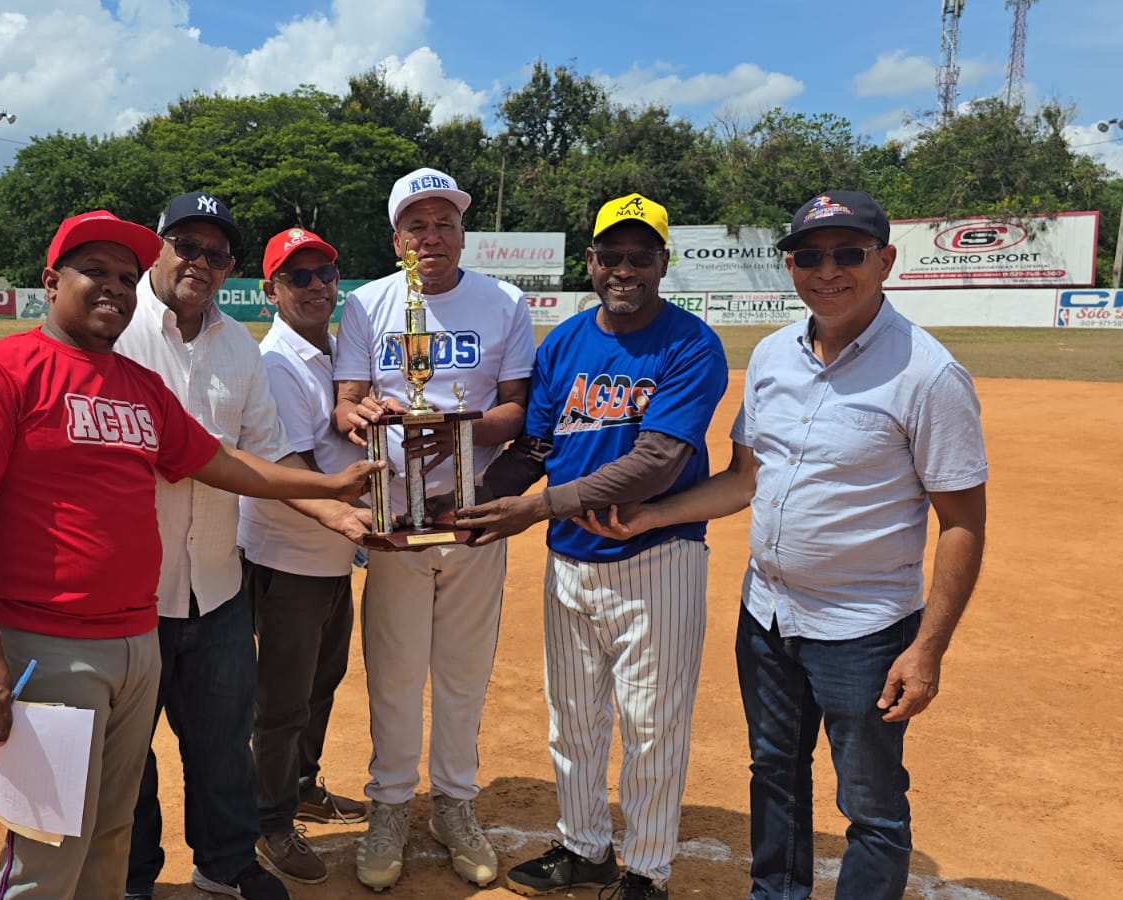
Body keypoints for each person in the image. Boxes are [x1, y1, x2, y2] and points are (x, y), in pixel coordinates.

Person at [0, 210, 378, 900]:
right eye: (94, 272)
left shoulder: (140, 388)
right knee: (51, 844)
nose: (112, 287)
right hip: (47, 640)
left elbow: (223, 461)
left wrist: (331, 489)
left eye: (122, 276)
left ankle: (212, 864)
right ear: (50, 282)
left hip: (138, 632)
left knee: (112, 831)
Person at [581, 190, 989, 900]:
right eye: (808, 255)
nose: (826, 270)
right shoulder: (773, 356)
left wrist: (927, 649)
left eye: (847, 253)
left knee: (871, 806)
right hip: (767, 616)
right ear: (791, 265)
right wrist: (651, 515)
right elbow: (744, 480)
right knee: (774, 773)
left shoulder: (929, 374)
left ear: (885, 260)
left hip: (864, 631)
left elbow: (963, 523)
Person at [454, 194, 728, 900]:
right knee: (572, 719)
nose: (625, 270)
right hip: (568, 559)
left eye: (642, 257)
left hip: (656, 557)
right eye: (612, 256)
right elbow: (538, 444)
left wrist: (536, 506)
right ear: (591, 261)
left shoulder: (691, 344)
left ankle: (646, 870)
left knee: (651, 725)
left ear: (664, 263)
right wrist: (466, 505)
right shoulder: (566, 342)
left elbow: (659, 460)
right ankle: (584, 848)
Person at [115, 194, 370, 900]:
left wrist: (342, 518)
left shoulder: (235, 346)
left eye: (217, 253)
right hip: (131, 593)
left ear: (231, 267)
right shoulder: (117, 327)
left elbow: (268, 455)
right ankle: (135, 877)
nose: (200, 262)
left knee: (222, 746)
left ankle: (224, 865)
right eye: (187, 246)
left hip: (218, 584)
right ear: (159, 247)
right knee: (130, 752)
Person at [333, 167, 536, 890]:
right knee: (392, 673)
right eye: (417, 224)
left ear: (461, 234)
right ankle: (390, 805)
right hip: (393, 517)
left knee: (461, 673)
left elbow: (519, 410)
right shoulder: (367, 305)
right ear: (397, 238)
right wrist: (365, 417)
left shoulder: (504, 302)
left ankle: (454, 803)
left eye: (444, 223)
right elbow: (347, 401)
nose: (431, 236)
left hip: (473, 515)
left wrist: (459, 430)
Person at [238, 228, 370, 886]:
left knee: (322, 681)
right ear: (271, 292)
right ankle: (270, 822)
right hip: (289, 555)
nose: (317, 285)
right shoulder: (276, 363)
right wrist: (375, 503)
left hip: (334, 552)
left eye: (324, 271)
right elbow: (296, 466)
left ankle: (303, 786)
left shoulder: (342, 351)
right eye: (298, 277)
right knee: (283, 700)